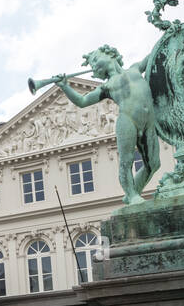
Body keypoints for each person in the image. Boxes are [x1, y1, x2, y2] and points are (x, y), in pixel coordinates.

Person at [53, 45, 159, 204]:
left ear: (110, 54)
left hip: (149, 121)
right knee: (126, 160)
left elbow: (153, 55)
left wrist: (165, 37)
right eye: (92, 64)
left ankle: (132, 192)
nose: (94, 65)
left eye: (95, 59)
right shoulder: (107, 86)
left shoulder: (135, 69)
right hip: (128, 119)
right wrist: (65, 86)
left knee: (154, 164)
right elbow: (82, 101)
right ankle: (132, 194)